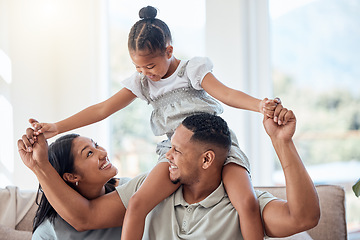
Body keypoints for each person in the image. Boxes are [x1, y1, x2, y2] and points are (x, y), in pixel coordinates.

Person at [30, 6, 281, 240]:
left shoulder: (191, 70)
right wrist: (58, 126)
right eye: (138, 67)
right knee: (138, 203)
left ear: (169, 52)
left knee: (247, 202)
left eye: (150, 65)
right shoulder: (143, 83)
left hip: (217, 146)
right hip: (175, 154)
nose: (145, 73)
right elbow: (102, 109)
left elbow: (226, 93)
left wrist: (260, 105)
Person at [19, 105, 320, 239]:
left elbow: (304, 218)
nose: (167, 156)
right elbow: (84, 217)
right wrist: (39, 166)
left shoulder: (243, 204)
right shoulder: (148, 189)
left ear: (206, 160)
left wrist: (282, 143)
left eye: (176, 150)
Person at [29, 133, 128, 239]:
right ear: (71, 177)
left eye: (96, 145)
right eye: (89, 153)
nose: (103, 153)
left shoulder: (128, 189)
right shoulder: (49, 231)